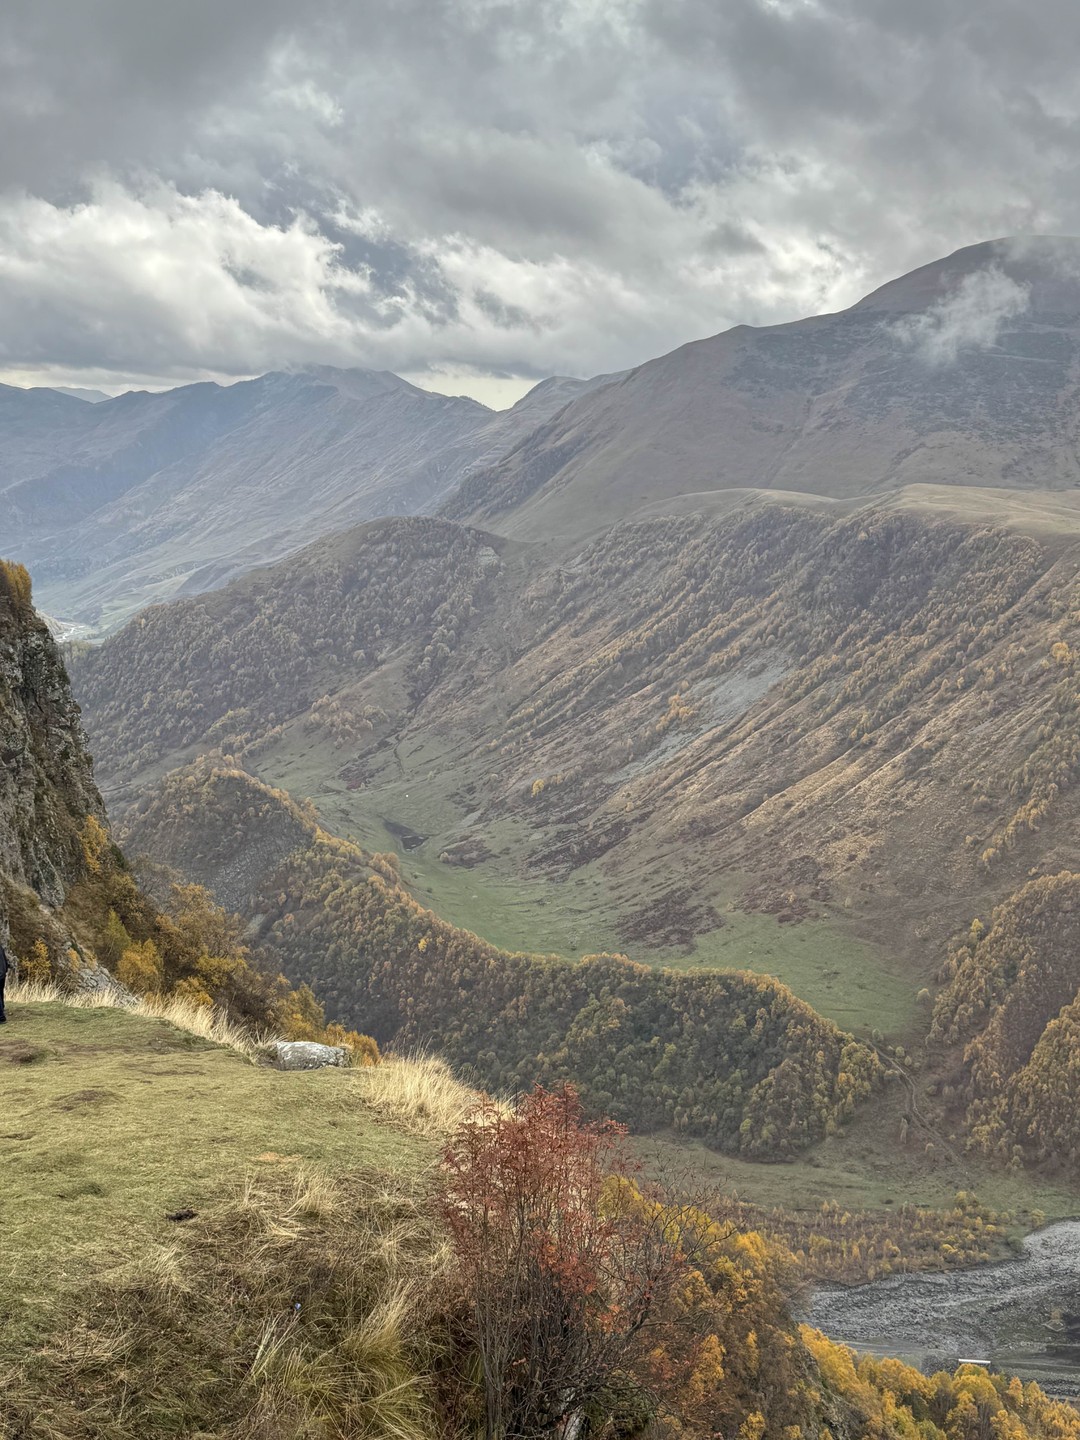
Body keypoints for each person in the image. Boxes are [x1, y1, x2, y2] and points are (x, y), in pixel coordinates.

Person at [0, 941, 8, 1023]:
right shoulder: (0, 948)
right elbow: (5, 960)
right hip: (2, 974)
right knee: (0, 994)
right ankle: (2, 1010)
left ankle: (1, 1017)